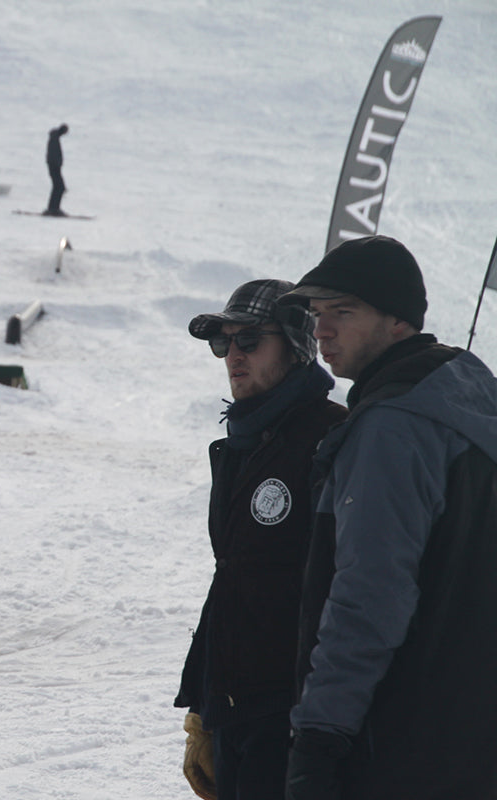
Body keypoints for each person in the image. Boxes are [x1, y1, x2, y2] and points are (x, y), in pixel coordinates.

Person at [277, 235, 497, 800]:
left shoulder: (391, 428)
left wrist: (319, 738)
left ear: (398, 320)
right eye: (316, 315)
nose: (320, 330)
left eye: (342, 313)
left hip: (395, 748)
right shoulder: (468, 401)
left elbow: (369, 596)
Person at [175, 280, 346, 800]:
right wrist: (203, 701)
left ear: (296, 347)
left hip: (293, 714)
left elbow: (357, 586)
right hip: (234, 705)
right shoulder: (243, 442)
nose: (233, 356)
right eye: (223, 343)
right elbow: (232, 574)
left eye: (249, 340)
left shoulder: (333, 439)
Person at [44, 123, 68, 216]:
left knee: (58, 187)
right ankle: (53, 209)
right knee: (59, 187)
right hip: (54, 167)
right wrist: (57, 164)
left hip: (54, 166)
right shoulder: (54, 138)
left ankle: (53, 208)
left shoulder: (55, 137)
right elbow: (53, 155)